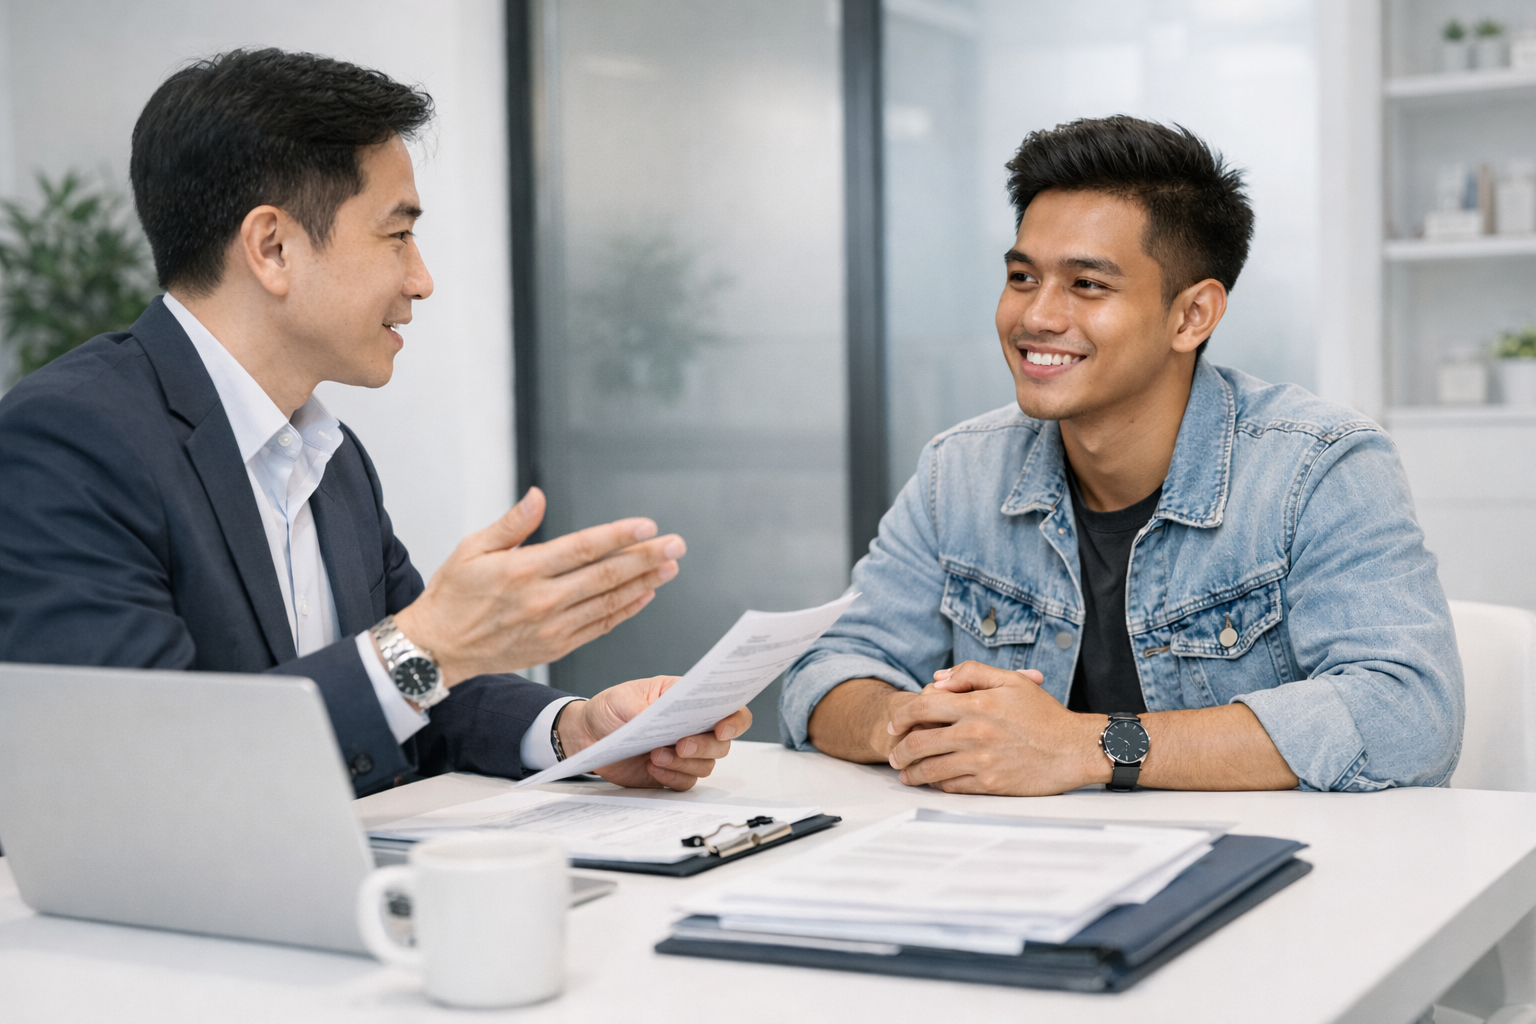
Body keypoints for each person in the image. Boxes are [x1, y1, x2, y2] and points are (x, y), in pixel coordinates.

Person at [0, 48, 748, 797]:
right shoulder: (69, 440)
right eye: (397, 235)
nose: (421, 280)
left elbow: (417, 698)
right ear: (273, 248)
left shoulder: (328, 453)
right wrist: (426, 643)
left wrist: (572, 730)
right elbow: (138, 764)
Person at [781, 116, 1462, 796]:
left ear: (1192, 315)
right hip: (1019, 872)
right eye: (1022, 276)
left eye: (1087, 285)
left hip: (1260, 872)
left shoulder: (1319, 468)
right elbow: (830, 670)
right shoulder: (959, 471)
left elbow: (1408, 713)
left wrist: (1085, 747)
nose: (1036, 317)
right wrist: (908, 721)